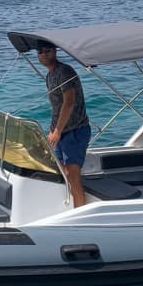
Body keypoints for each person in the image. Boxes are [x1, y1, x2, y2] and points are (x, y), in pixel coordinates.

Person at [36, 40, 90, 207]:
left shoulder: (64, 72)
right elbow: (56, 107)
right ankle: (73, 207)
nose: (43, 54)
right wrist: (53, 131)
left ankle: (80, 214)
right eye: (40, 52)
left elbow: (69, 102)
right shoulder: (50, 75)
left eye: (47, 51)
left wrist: (58, 130)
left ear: (55, 52)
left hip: (75, 131)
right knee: (63, 172)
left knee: (73, 176)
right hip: (61, 132)